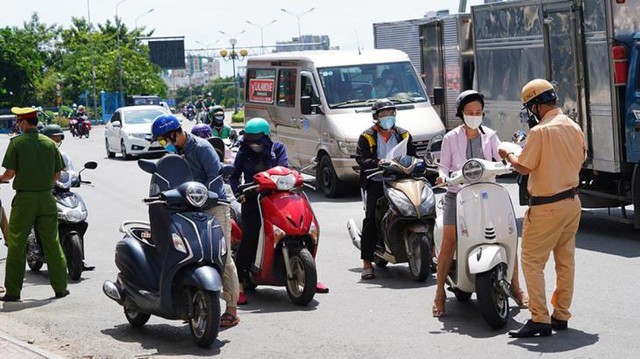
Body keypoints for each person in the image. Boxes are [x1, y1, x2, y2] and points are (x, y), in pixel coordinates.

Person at [431, 90, 528, 317]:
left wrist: (511, 158)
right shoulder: (450, 137)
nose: (474, 115)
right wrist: (443, 177)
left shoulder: (491, 135)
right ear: (461, 113)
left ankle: (516, 286)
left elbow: (500, 157)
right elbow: (444, 166)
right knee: (448, 241)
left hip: (488, 192)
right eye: (470, 112)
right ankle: (438, 294)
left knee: (508, 235)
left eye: (478, 112)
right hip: (458, 194)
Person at [501, 79, 585, 338]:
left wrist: (508, 153)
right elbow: (580, 159)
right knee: (565, 260)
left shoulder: (540, 132)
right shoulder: (572, 125)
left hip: (547, 206)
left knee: (531, 261)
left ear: (536, 105)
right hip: (572, 202)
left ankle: (539, 318)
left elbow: (524, 166)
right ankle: (561, 314)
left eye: (530, 107)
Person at [151, 114, 241, 328]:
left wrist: (204, 199)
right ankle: (191, 306)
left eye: (164, 140)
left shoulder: (202, 148)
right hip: (187, 208)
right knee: (187, 255)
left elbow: (216, 179)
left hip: (214, 206)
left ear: (175, 133)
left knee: (223, 256)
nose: (165, 145)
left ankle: (231, 309)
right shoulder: (175, 155)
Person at [0, 107, 69, 302]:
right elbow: (58, 174)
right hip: (47, 199)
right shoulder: (49, 144)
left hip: (25, 201)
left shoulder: (17, 143)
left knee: (16, 244)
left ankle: (13, 292)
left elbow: (9, 175)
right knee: (52, 243)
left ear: (22, 122)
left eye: (18, 121)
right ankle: (60, 288)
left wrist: (0, 179)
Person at [355, 99, 415, 280]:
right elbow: (361, 159)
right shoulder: (367, 137)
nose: (388, 117)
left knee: (420, 207)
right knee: (372, 217)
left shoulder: (403, 135)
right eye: (383, 114)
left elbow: (413, 156)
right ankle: (367, 261)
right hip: (377, 181)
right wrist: (378, 163)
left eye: (391, 113)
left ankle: (430, 253)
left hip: (401, 179)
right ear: (376, 117)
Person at [42, 124, 95, 271]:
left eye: (58, 140)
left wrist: (75, 178)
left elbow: (70, 172)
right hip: (44, 193)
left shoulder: (63, 155)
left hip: (62, 191)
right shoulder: (39, 155)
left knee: (79, 221)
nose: (56, 142)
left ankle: (80, 259)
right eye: (53, 139)